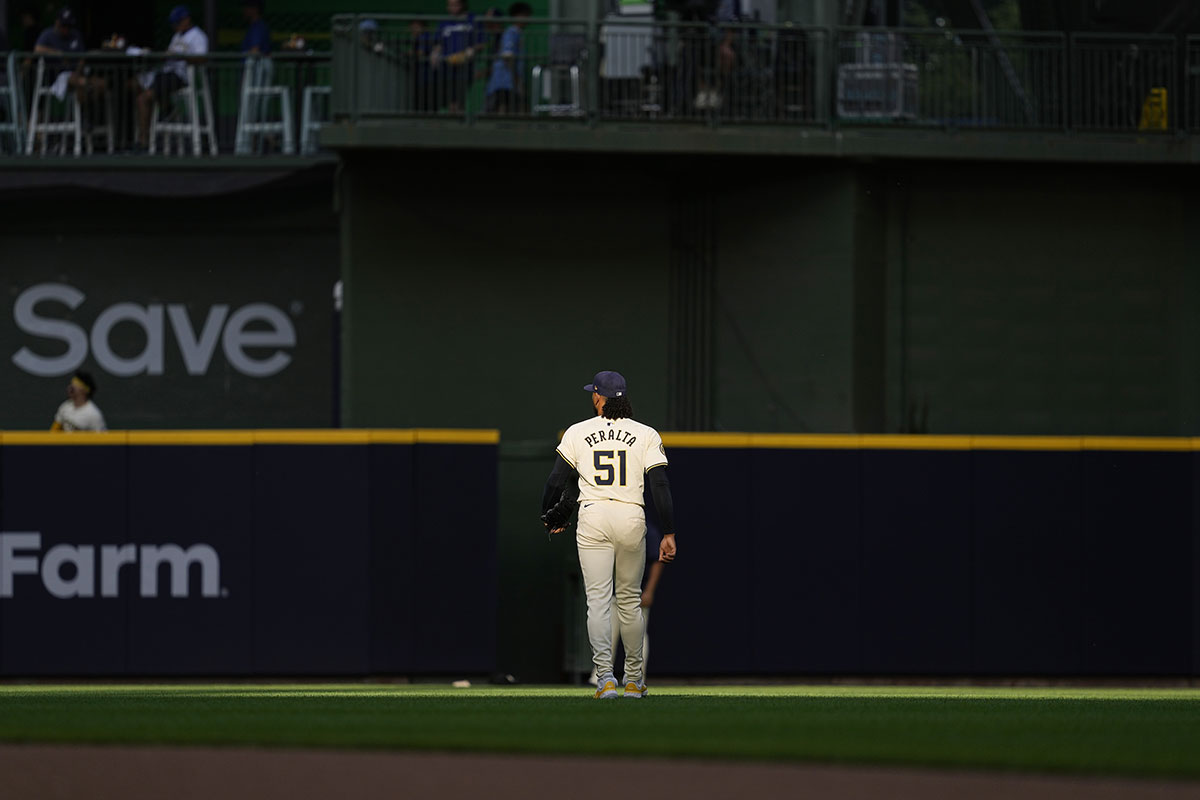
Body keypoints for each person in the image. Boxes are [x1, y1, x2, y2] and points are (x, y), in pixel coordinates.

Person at [542, 370, 677, 699]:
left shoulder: (578, 431)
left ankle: (604, 679)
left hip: (594, 516)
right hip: (631, 513)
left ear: (597, 397)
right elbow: (659, 485)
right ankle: (633, 679)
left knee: (599, 603)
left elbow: (556, 482)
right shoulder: (645, 433)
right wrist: (669, 531)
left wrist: (549, 516)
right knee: (629, 602)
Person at [132, 5, 208, 150]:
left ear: (186, 20)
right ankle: (167, 108)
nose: (175, 26)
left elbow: (202, 58)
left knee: (143, 98)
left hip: (181, 77)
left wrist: (181, 57)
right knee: (135, 82)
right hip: (166, 73)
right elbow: (169, 55)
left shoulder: (198, 36)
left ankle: (143, 141)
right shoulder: (177, 36)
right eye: (174, 23)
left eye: (178, 22)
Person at [34, 8, 107, 115]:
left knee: (101, 84)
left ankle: (87, 112)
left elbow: (82, 58)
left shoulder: (75, 35)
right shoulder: (48, 34)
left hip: (78, 74)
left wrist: (78, 70)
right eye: (64, 25)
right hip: (58, 77)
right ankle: (87, 107)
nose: (66, 29)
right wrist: (58, 53)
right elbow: (37, 50)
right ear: (57, 22)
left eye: (68, 26)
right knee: (79, 83)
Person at [430, 0, 482, 114]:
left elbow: (481, 41)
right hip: (447, 63)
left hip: (466, 64)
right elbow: (438, 43)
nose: (452, 7)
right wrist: (435, 53)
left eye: (456, 5)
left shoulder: (472, 19)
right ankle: (452, 114)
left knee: (461, 91)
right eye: (450, 5)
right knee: (449, 92)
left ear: (463, 5)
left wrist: (471, 50)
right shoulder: (444, 22)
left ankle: (459, 115)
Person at [484, 2, 530, 114]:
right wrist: (517, 79)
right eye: (526, 16)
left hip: (510, 80)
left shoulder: (518, 33)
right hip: (505, 81)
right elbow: (507, 56)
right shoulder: (511, 33)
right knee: (503, 108)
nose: (528, 19)